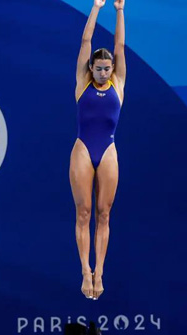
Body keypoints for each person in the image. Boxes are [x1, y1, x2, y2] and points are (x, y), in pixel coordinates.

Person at [69, 0, 126, 300]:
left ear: (113, 69)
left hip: (108, 151)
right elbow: (86, 40)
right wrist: (96, 7)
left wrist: (119, 11)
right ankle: (84, 272)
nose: (104, 72)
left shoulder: (118, 82)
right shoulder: (82, 82)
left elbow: (119, 45)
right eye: (99, 68)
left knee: (103, 214)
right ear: (90, 67)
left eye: (107, 68)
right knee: (84, 212)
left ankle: (100, 272)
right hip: (82, 148)